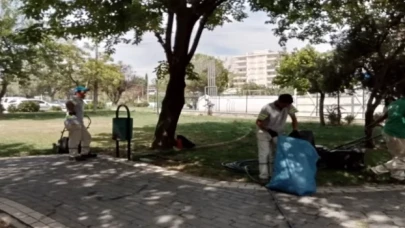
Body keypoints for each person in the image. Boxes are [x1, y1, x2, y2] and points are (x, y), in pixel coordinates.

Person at [256, 94, 299, 185]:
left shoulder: (289, 106)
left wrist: (295, 130)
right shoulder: (267, 108)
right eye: (285, 104)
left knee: (275, 154)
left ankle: (273, 175)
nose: (286, 107)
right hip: (264, 133)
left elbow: (294, 119)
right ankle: (263, 176)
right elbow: (258, 122)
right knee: (265, 154)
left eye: (288, 105)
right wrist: (268, 130)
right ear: (279, 101)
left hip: (278, 133)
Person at [366, 95, 405, 181]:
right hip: (398, 133)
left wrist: (374, 124)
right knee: (402, 158)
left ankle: (398, 176)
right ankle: (376, 170)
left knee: (398, 156)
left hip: (388, 132)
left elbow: (385, 116)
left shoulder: (395, 103)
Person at [66, 86, 93, 161]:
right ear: (77, 92)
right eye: (83, 92)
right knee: (74, 138)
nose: (85, 93)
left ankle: (85, 153)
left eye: (85, 92)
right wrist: (71, 112)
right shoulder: (75, 98)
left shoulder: (79, 100)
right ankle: (73, 155)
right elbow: (68, 103)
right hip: (73, 122)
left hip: (79, 122)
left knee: (87, 137)